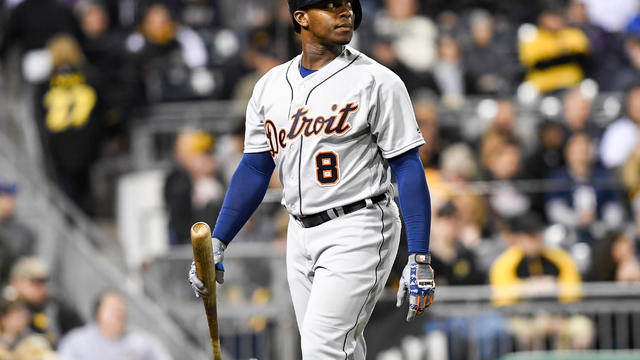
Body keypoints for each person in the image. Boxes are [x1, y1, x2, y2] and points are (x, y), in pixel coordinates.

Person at [188, 1, 435, 358]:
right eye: (331, 6)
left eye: (348, 5)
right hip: (299, 232)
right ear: (301, 18)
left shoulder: (377, 81)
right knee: (335, 349)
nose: (345, 12)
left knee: (324, 348)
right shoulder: (269, 86)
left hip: (358, 225)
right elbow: (256, 168)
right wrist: (219, 240)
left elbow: (409, 166)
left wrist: (420, 256)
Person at [57, 291, 171, 360]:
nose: (119, 314)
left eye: (121, 310)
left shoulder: (142, 342)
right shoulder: (76, 341)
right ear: (98, 314)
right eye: (113, 309)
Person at [6, 257, 83, 347]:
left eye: (43, 282)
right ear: (15, 282)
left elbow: (80, 338)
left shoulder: (58, 308)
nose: (41, 287)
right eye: (34, 282)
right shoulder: (6, 306)